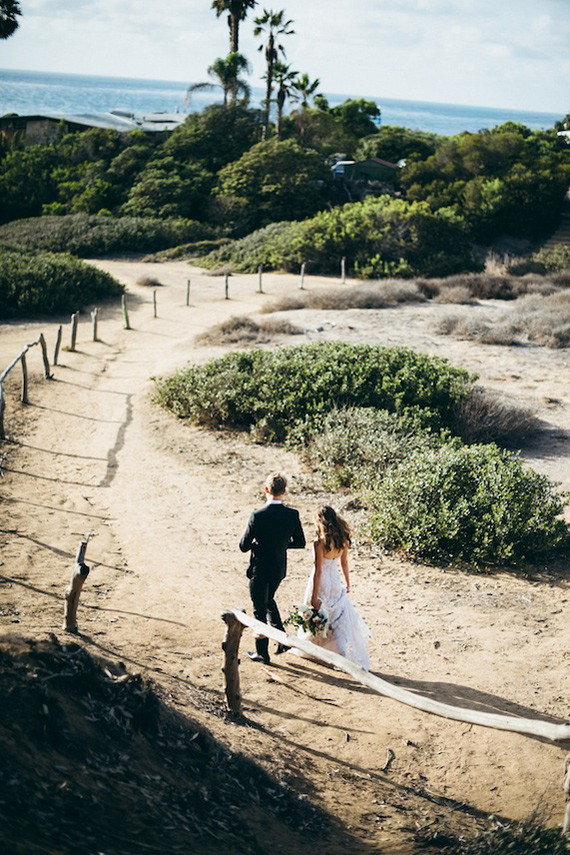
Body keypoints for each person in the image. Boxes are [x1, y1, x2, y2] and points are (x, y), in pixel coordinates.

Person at [239, 473, 306, 665]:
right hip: (278, 567)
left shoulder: (257, 516)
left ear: (266, 490)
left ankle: (263, 653)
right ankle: (282, 639)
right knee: (269, 600)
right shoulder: (292, 515)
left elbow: (243, 546)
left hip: (260, 568)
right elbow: (300, 542)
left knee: (259, 609)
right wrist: (281, 545)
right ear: (284, 491)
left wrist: (257, 546)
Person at [299, 505, 370, 670]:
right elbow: (344, 563)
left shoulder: (319, 543)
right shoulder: (342, 540)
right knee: (334, 615)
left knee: (318, 612)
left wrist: (314, 596)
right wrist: (347, 582)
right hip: (335, 580)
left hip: (322, 580)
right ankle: (337, 651)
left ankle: (317, 647)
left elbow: (318, 571)